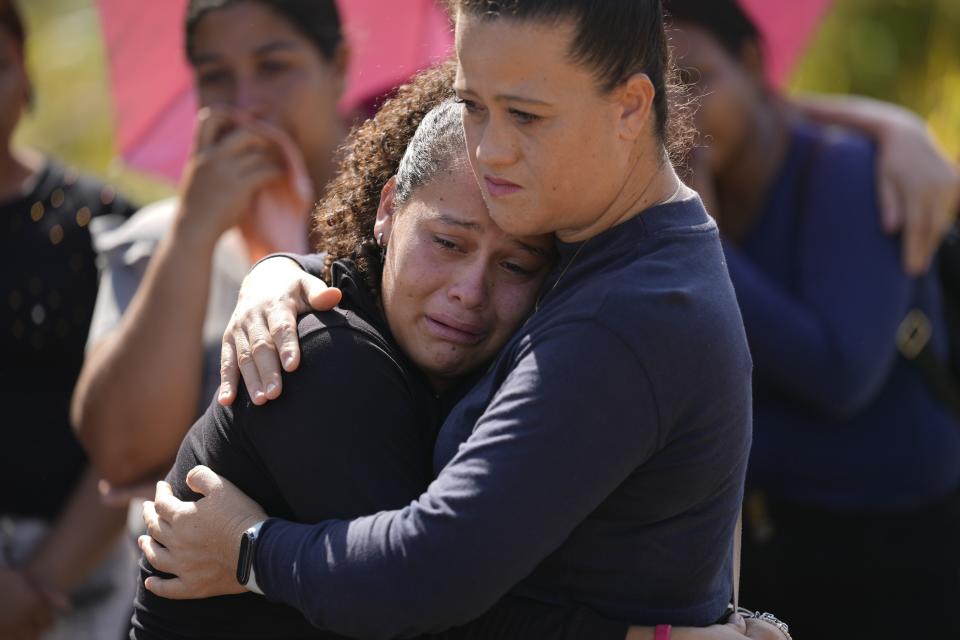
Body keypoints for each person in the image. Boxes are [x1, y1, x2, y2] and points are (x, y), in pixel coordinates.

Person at [140, 1, 767, 637]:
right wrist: (286, 268)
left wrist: (249, 549)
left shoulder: (620, 314)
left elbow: (425, 580)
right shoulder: (626, 247)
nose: (491, 150)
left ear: (631, 106)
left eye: (525, 114)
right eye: (472, 105)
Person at [664, 1, 960, 638]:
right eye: (659, 92)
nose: (678, 111)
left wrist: (700, 238)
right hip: (780, 542)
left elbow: (839, 373)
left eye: (693, 79)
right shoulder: (698, 186)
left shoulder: (847, 171)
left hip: (894, 551)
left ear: (751, 62)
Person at [71, 0, 346, 490]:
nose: (246, 104)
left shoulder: (404, 228)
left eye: (274, 66)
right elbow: (120, 452)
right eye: (216, 76)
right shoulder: (159, 239)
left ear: (338, 67)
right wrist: (193, 233)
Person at [0, 1, 139, 638]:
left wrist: (43, 581)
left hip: (90, 573)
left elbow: (138, 421)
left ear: (25, 72)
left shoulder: (101, 222)